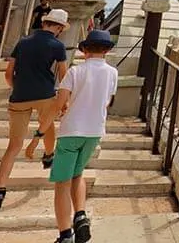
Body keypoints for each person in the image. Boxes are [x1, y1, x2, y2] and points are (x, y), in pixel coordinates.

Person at [0, 8, 69, 213]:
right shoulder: (57, 45)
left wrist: (17, 87)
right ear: (58, 28)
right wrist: (63, 101)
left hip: (19, 96)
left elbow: (8, 72)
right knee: (47, 126)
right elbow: (64, 75)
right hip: (45, 94)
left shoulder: (23, 42)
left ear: (44, 23)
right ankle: (49, 155)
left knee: (13, 146)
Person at [49, 28, 119, 243]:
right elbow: (108, 101)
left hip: (71, 131)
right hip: (94, 131)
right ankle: (80, 215)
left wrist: (43, 128)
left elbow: (60, 103)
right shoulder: (113, 73)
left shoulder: (75, 72)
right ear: (106, 51)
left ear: (85, 50)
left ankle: (65, 234)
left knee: (62, 183)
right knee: (78, 175)